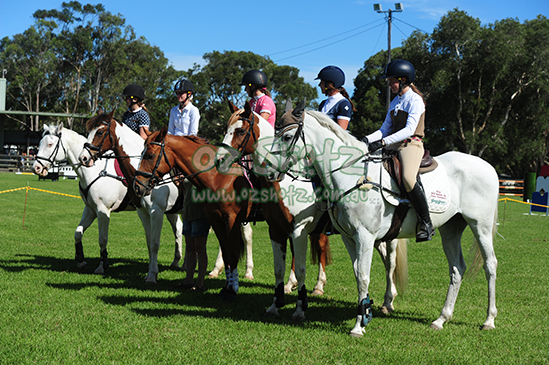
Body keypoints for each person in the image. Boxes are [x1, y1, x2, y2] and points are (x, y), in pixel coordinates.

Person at [362, 59, 435, 242]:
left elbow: (409, 130)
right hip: (394, 144)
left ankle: (426, 223)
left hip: (412, 144)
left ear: (403, 80)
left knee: (409, 179)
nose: (388, 84)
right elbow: (384, 129)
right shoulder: (395, 101)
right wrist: (365, 140)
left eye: (391, 80)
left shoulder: (415, 100)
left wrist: (383, 142)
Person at [168, 78, 210, 291]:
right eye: (177, 93)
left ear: (189, 94)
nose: (178, 96)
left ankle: (199, 281)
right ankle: (187, 279)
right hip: (174, 150)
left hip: (187, 149)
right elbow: (170, 132)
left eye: (181, 93)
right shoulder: (174, 111)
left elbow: (192, 134)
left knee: (198, 246)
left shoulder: (193, 111)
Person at [315, 65, 356, 130]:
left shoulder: (343, 105)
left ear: (330, 84)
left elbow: (341, 133)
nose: (319, 85)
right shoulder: (323, 104)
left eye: (322, 82)